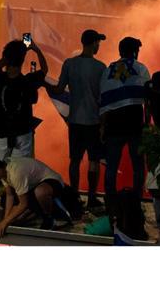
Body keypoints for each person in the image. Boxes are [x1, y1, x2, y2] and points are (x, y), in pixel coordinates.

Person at [48, 29, 107, 211]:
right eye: (98, 42)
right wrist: (103, 124)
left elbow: (58, 89)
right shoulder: (100, 68)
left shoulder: (69, 64)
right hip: (93, 122)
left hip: (74, 121)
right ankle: (91, 197)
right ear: (93, 43)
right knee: (94, 161)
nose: (99, 46)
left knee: (74, 159)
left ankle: (74, 196)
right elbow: (103, 98)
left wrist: (42, 80)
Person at [99, 36, 151, 214]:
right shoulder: (140, 69)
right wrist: (147, 123)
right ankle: (136, 200)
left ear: (120, 51)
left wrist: (103, 126)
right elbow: (147, 99)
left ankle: (110, 203)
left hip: (113, 125)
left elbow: (104, 101)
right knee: (138, 165)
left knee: (111, 166)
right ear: (135, 51)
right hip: (134, 123)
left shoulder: (108, 71)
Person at [0, 155, 71, 236]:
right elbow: (10, 195)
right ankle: (38, 211)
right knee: (14, 220)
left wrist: (5, 222)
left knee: (40, 192)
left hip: (53, 182)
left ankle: (50, 217)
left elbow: (23, 204)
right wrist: (6, 219)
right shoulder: (3, 173)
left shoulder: (16, 172)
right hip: (33, 188)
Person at [0, 38, 49, 161]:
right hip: (23, 130)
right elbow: (44, 69)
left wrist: (7, 57)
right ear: (23, 60)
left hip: (2, 130)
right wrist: (36, 50)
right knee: (22, 169)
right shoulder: (28, 81)